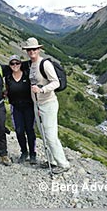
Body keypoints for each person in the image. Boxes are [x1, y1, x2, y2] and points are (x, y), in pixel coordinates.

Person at [22, 37, 70, 174]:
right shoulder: (31, 65)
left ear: (39, 49)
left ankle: (63, 163)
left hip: (48, 103)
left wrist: (42, 89)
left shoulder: (44, 64)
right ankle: (52, 161)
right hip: (37, 104)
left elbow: (56, 83)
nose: (31, 52)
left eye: (34, 49)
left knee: (50, 135)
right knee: (43, 133)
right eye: (29, 50)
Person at [5, 54, 37, 164]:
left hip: (28, 107)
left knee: (30, 130)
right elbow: (6, 91)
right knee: (19, 131)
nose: (15, 65)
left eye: (17, 63)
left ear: (20, 64)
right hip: (16, 107)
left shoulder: (27, 75)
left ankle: (33, 153)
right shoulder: (8, 78)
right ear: (9, 65)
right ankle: (24, 152)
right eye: (12, 63)